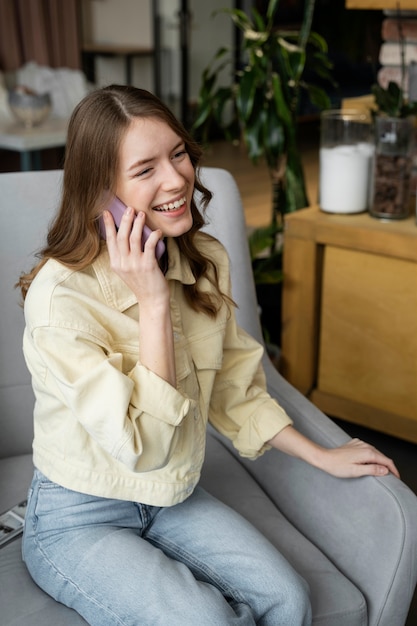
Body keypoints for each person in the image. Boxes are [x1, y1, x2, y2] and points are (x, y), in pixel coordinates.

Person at [19, 85, 399, 626]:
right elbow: (145, 448)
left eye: (177, 153)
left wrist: (322, 454)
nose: (176, 179)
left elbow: (235, 385)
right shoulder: (60, 299)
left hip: (173, 496)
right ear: (103, 191)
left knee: (290, 600)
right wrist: (152, 303)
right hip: (79, 515)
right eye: (145, 168)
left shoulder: (202, 260)